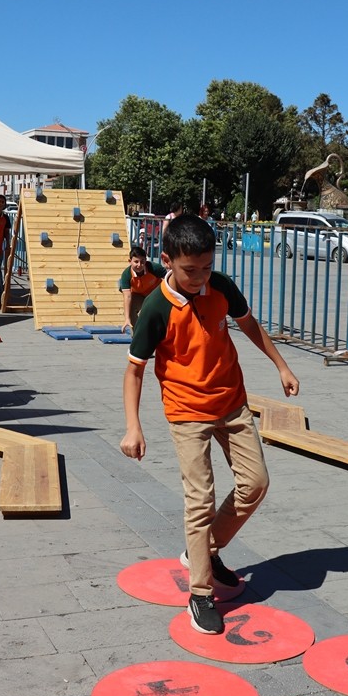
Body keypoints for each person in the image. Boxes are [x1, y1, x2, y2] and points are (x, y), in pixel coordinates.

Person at [120, 215, 299, 635]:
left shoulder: (220, 285)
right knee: (200, 498)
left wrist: (281, 366)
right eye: (189, 270)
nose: (199, 278)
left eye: (205, 267)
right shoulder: (155, 309)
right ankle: (200, 593)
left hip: (232, 403)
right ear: (167, 261)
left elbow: (249, 324)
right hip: (186, 411)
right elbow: (134, 372)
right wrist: (134, 426)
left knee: (255, 483)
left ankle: (205, 548)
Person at [117, 245, 162, 332]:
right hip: (139, 295)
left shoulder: (154, 268)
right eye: (136, 262)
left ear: (146, 261)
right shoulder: (126, 275)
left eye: (142, 261)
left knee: (146, 312)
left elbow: (169, 280)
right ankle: (136, 336)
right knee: (130, 309)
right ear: (130, 261)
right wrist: (127, 318)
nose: (139, 265)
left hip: (154, 294)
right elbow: (127, 296)